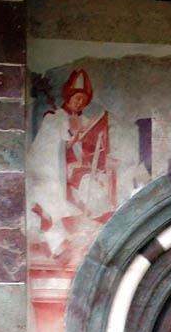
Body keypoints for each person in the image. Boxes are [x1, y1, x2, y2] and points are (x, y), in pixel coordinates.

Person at [27, 68, 116, 257]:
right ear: (68, 98)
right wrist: (68, 143)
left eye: (83, 101)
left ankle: (102, 226)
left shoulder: (83, 120)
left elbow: (92, 149)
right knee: (83, 181)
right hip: (58, 168)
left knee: (92, 182)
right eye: (77, 99)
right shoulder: (54, 118)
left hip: (81, 167)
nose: (79, 103)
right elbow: (44, 148)